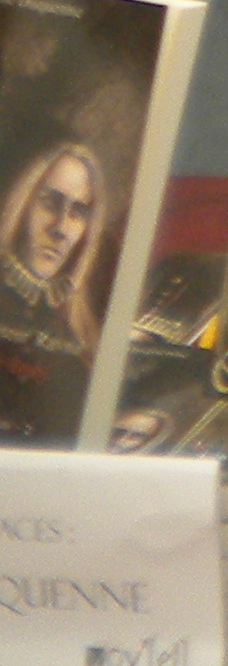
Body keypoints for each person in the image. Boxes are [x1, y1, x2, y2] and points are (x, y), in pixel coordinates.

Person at [0, 135, 107, 440]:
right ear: (21, 203)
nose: (60, 228)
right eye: (49, 203)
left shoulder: (83, 339)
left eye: (78, 212)